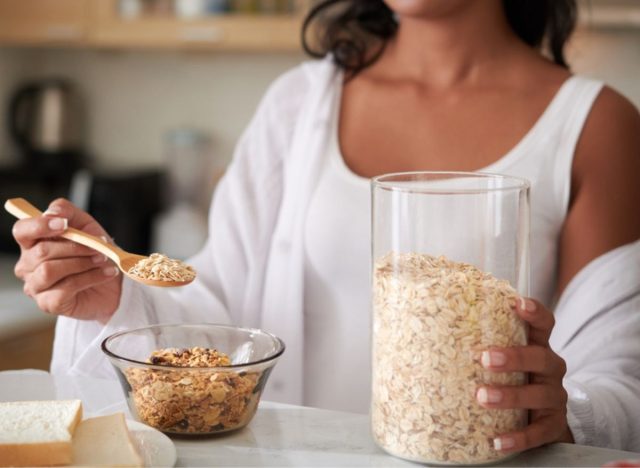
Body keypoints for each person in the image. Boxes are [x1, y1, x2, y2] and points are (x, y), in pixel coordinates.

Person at [10, 0, 640, 455]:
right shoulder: (299, 104)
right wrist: (115, 297)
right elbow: (228, 322)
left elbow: (621, 377)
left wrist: (569, 414)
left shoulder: (594, 126)